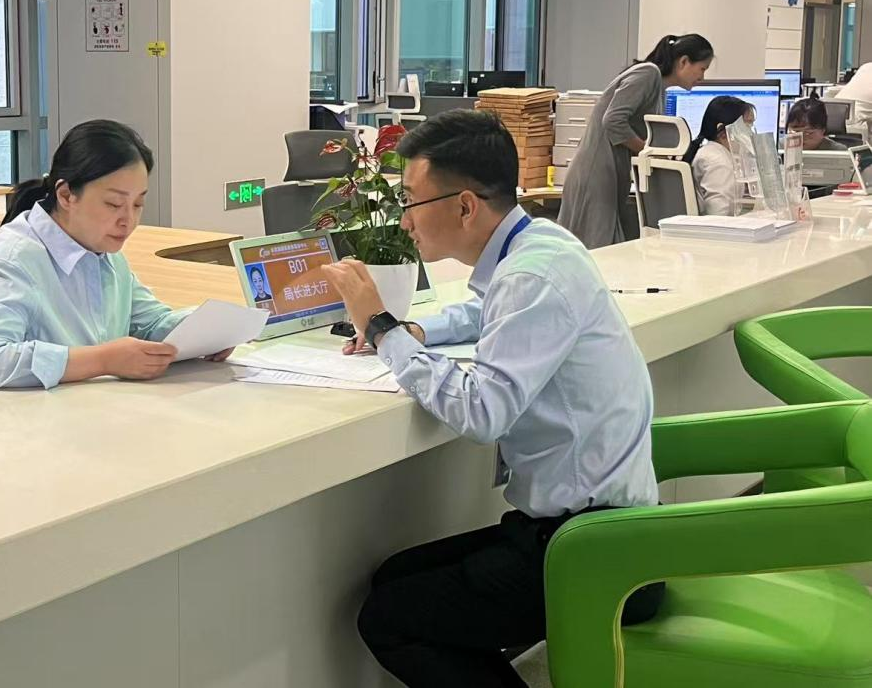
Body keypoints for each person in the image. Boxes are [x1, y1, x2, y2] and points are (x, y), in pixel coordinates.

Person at [322, 110, 662, 688]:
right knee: (393, 579)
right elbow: (489, 312)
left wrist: (381, 328)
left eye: (411, 201)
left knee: (388, 617)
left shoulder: (532, 276)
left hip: (596, 549)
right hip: (594, 527)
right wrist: (416, 331)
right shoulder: (541, 245)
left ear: (464, 207)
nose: (404, 220)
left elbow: (482, 413)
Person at [0, 119, 229, 401]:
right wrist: (102, 360)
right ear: (66, 195)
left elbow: (150, 323)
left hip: (63, 414)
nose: (128, 220)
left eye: (138, 204)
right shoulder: (13, 259)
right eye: (114, 204)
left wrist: (207, 332)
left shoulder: (103, 253)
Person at [558, 33, 714, 248]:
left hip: (612, 174)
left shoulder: (660, 89)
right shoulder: (648, 73)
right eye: (702, 69)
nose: (702, 77)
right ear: (684, 62)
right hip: (597, 173)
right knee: (596, 249)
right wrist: (647, 151)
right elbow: (612, 120)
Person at [683, 96, 753, 216]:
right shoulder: (719, 162)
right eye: (747, 126)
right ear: (723, 132)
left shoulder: (710, 151)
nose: (750, 133)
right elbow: (718, 216)